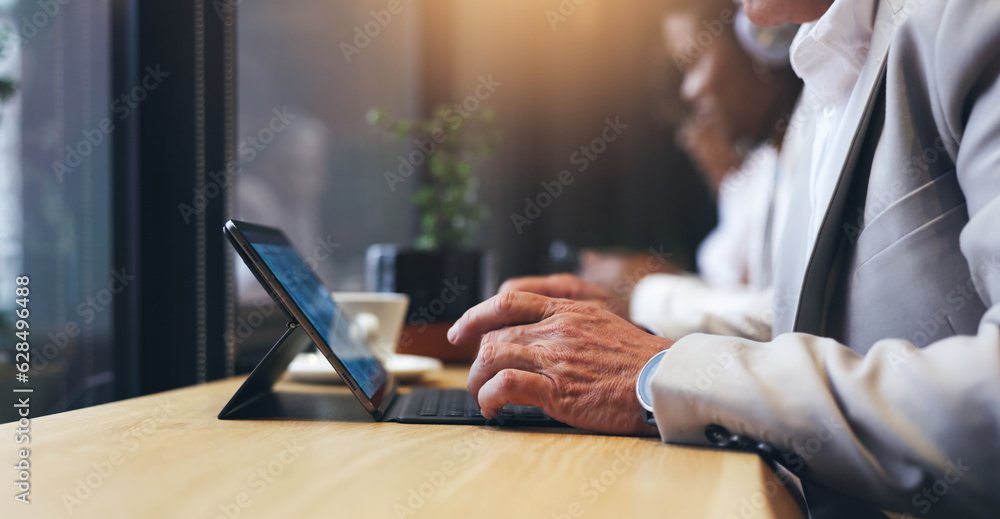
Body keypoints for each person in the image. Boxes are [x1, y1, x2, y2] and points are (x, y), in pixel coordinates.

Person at [447, 0, 1000, 517]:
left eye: (692, 61)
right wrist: (631, 335)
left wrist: (656, 370)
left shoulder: (968, 19)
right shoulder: (825, 77)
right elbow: (809, 321)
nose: (688, 91)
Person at [628, 1, 803, 341]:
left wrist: (645, 292)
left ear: (760, 38)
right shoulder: (775, 165)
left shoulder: (817, 142)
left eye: (694, 62)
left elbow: (793, 320)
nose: (689, 90)